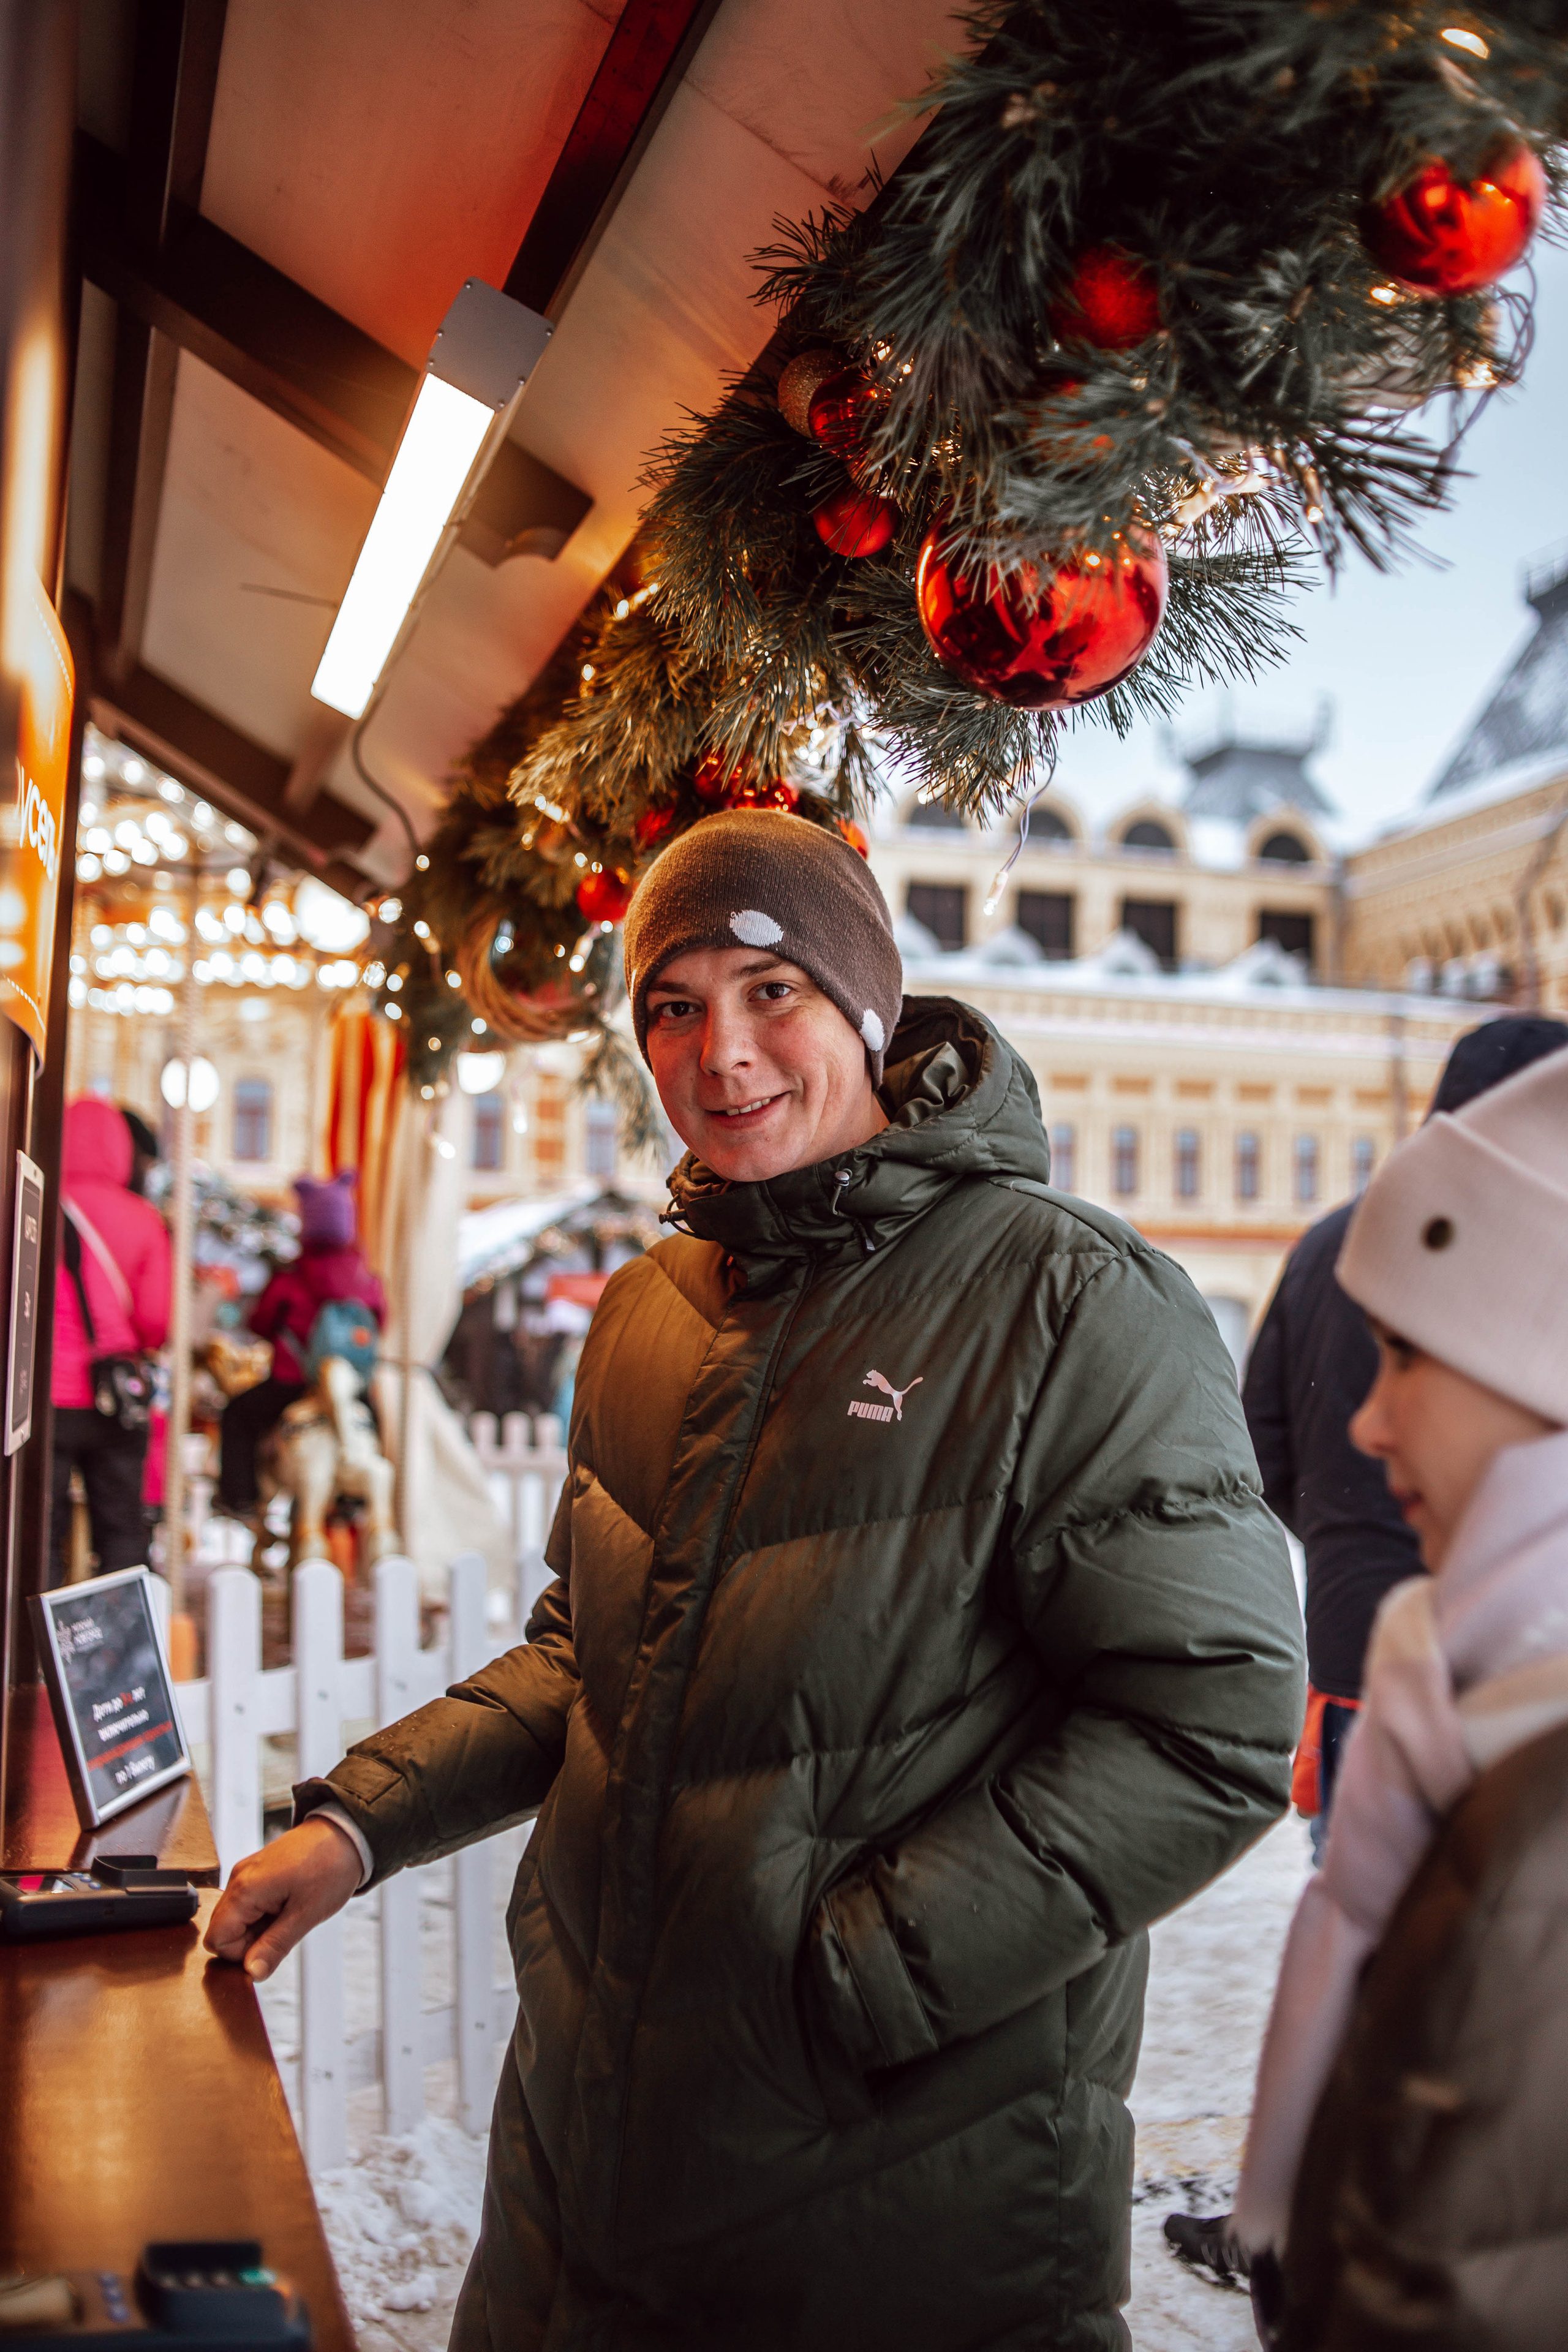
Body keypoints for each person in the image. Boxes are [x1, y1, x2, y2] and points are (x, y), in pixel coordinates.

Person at [206, 810, 1303, 2350]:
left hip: (895, 2198)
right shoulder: (652, 1307)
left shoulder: (1067, 1299)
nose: (718, 1049)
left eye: (769, 989)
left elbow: (1210, 1725)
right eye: (671, 1002)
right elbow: (594, 1651)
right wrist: (359, 1821)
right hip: (587, 2152)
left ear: (862, 1007)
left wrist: (858, 1969)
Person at [1232, 1042, 1568, 2346]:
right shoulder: (1460, 1666)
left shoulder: (1533, 1787)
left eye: (1406, 1365)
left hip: (1340, 1638)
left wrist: (1333, 1544)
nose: (1369, 1425)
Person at [1242, 1014, 1568, 1855]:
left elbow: (1261, 1439)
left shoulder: (1330, 1243)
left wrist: (1341, 1525)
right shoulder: (1528, 1243)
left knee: (1361, 1892)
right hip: (1494, 1650)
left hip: (1351, 1634)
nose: (1376, 1423)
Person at [49, 1098, 172, 1587]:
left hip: (47, 1400)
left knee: (42, 1529)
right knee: (121, 1528)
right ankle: (120, 1651)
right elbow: (156, 1321)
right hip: (116, 1398)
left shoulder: (33, 1200)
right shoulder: (142, 1218)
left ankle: (37, 1653)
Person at [217, 1171, 385, 1522]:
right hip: (350, 1385)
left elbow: (260, 1322)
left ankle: (241, 1497)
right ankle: (358, 1498)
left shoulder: (292, 1276)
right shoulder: (364, 1277)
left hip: (294, 1383)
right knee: (376, 1424)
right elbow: (379, 1321)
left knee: (237, 1416)